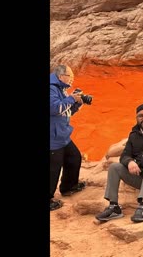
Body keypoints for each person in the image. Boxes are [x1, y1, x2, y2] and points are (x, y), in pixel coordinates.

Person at [50, 65, 87, 211]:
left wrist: (77, 105)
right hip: (52, 138)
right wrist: (72, 98)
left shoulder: (61, 89)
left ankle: (68, 187)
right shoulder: (51, 88)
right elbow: (54, 109)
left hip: (62, 135)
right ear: (60, 76)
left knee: (74, 157)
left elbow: (65, 112)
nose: (72, 79)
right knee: (53, 169)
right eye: (69, 76)